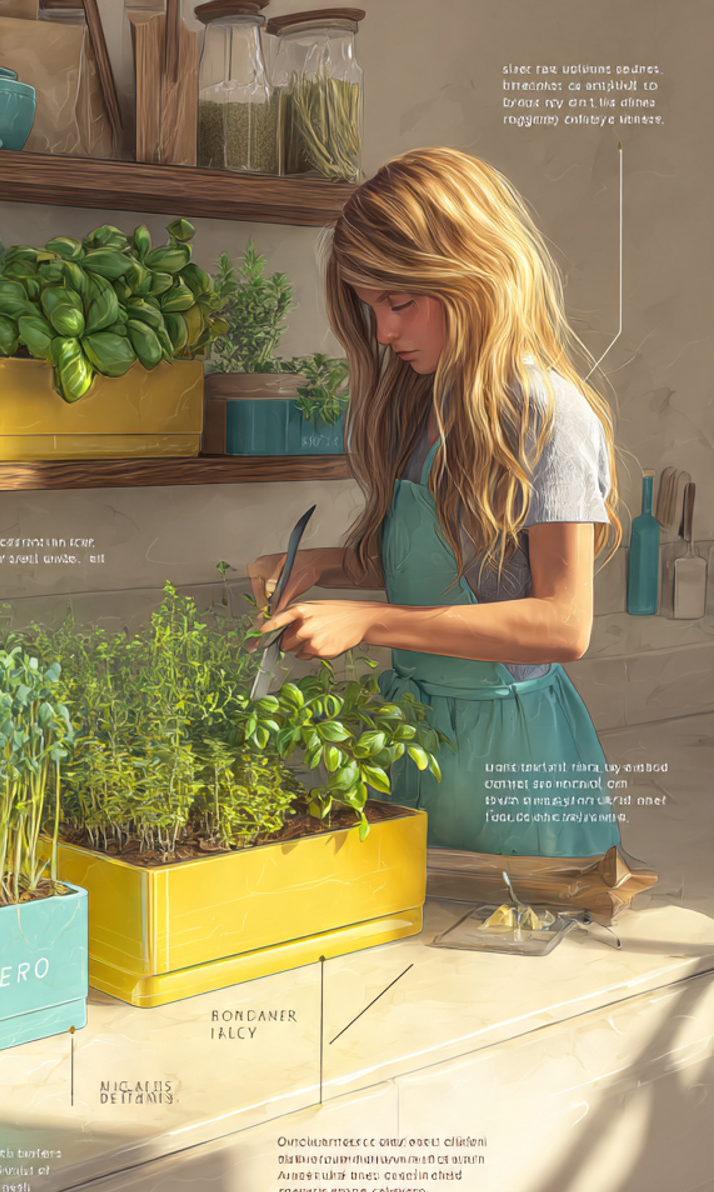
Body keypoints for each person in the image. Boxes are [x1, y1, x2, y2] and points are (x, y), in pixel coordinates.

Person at [248, 147, 622, 858]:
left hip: (511, 755)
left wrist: (369, 621)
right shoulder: (427, 400)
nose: (385, 332)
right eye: (370, 307)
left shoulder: (548, 413)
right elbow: (455, 566)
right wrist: (319, 565)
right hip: (418, 737)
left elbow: (563, 624)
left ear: (474, 272)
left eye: (400, 302)